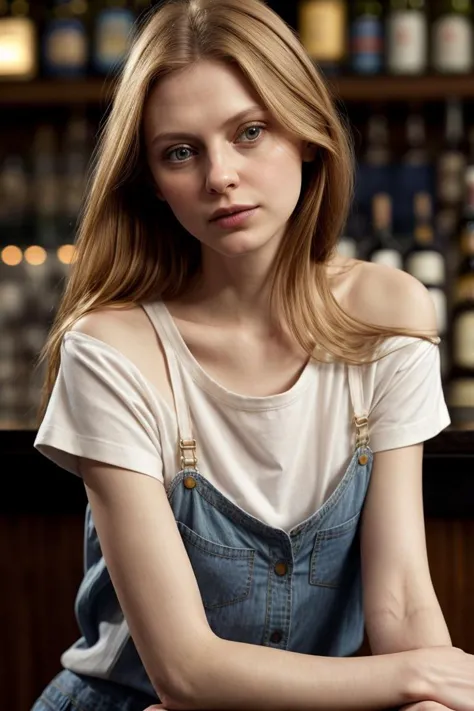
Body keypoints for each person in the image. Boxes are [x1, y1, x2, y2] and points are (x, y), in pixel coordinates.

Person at [29, 1, 474, 710]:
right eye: (181, 151)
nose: (220, 176)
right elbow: (185, 671)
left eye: (250, 132)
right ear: (150, 180)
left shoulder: (387, 317)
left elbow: (402, 608)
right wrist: (416, 677)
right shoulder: (111, 350)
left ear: (306, 134)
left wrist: (432, 690)